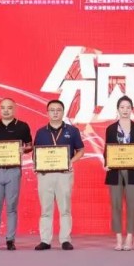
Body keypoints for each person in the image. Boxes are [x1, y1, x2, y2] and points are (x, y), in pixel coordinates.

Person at [33, 99, 84, 251]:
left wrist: (70, 162)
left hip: (64, 174)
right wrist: (38, 165)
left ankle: (65, 239)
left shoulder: (72, 131)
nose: (55, 113)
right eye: (52, 110)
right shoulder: (41, 132)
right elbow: (36, 153)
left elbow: (81, 150)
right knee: (46, 209)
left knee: (65, 208)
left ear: (63, 112)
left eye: (58, 110)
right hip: (45, 175)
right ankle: (45, 240)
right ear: (47, 113)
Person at [0, 98, 32, 251]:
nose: (6, 110)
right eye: (3, 107)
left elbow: (30, 145)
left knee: (11, 207)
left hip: (13, 170)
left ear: (14, 109)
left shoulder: (23, 126)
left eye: (9, 108)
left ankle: (10, 240)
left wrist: (24, 149)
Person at [104, 95, 134, 251]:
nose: (125, 110)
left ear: (132, 110)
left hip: (132, 171)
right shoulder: (110, 129)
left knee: (132, 205)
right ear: (118, 109)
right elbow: (107, 149)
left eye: (128, 107)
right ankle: (118, 239)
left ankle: (129, 238)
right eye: (122, 107)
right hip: (115, 171)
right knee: (116, 205)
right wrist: (106, 162)